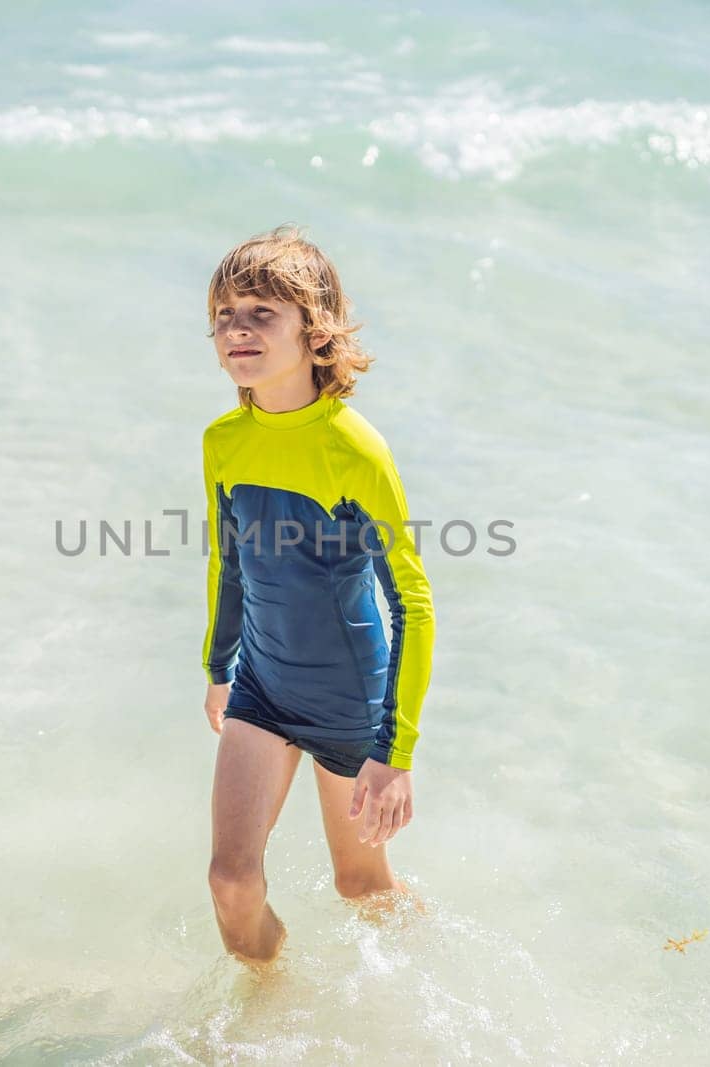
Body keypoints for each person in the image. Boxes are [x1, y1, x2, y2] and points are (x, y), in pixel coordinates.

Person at [200, 225, 436, 966]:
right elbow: (227, 561)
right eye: (225, 314)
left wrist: (393, 753)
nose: (238, 329)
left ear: (316, 329)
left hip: (348, 701)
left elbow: (412, 600)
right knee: (231, 881)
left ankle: (433, 987)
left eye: (262, 312)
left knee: (360, 885)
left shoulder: (350, 444)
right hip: (262, 688)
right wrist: (219, 666)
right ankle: (266, 1014)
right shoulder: (222, 441)